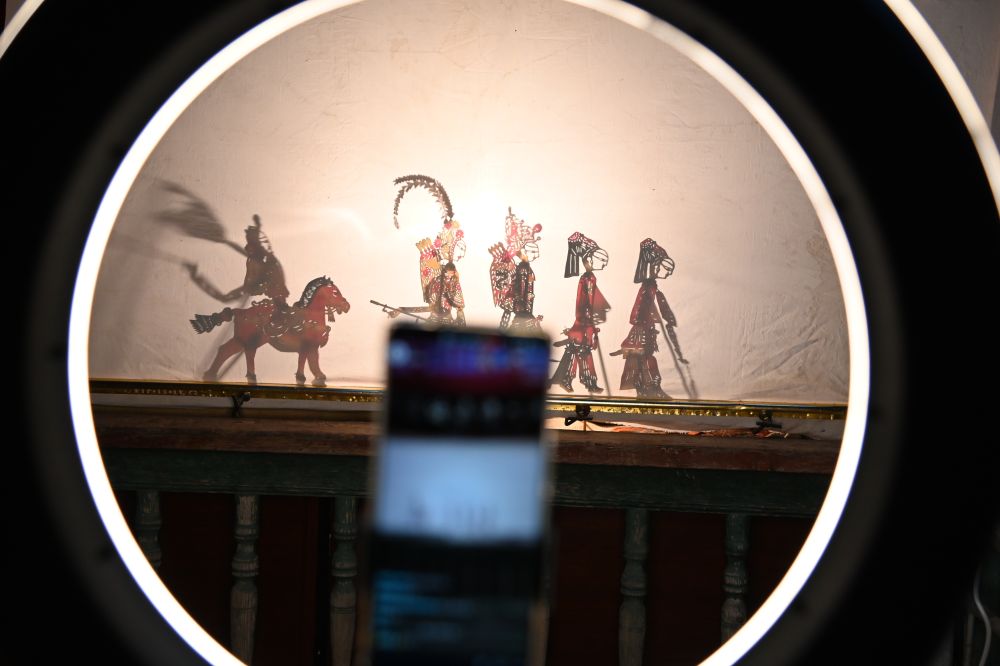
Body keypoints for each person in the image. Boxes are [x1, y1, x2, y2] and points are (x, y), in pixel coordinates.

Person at [619, 238, 680, 399]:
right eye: (666, 268)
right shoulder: (647, 287)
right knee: (645, 358)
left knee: (644, 358)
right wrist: (641, 323)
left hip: (646, 328)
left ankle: (647, 388)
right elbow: (637, 309)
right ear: (655, 267)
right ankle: (650, 387)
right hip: (642, 330)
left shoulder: (652, 286)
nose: (669, 272)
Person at [550, 232, 610, 393]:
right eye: (602, 259)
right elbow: (588, 300)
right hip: (584, 321)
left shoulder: (588, 278)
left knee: (579, 352)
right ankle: (579, 381)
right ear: (589, 259)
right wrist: (591, 319)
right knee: (581, 352)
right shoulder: (588, 278)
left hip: (584, 321)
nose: (604, 264)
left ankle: (576, 381)